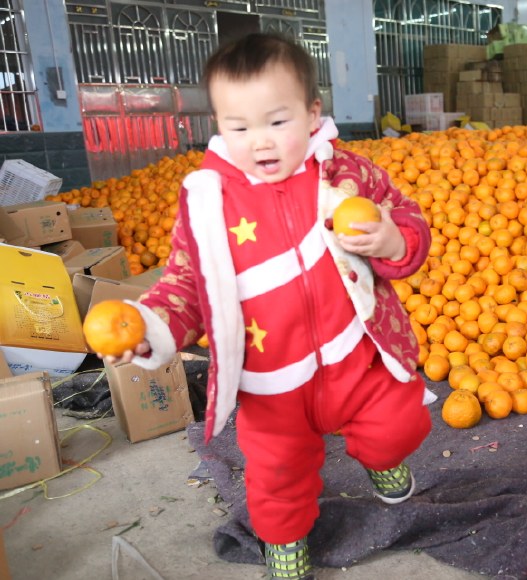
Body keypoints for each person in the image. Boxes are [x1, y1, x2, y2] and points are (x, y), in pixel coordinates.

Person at [100, 33, 434, 580]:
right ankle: (285, 542)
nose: (260, 142)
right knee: (276, 476)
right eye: (239, 127)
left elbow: (406, 214)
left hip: (356, 355)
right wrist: (150, 329)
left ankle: (381, 457)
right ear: (218, 126)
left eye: (277, 122)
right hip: (270, 380)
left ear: (311, 112)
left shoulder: (348, 174)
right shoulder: (208, 203)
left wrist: (395, 240)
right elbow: (186, 284)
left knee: (399, 424)